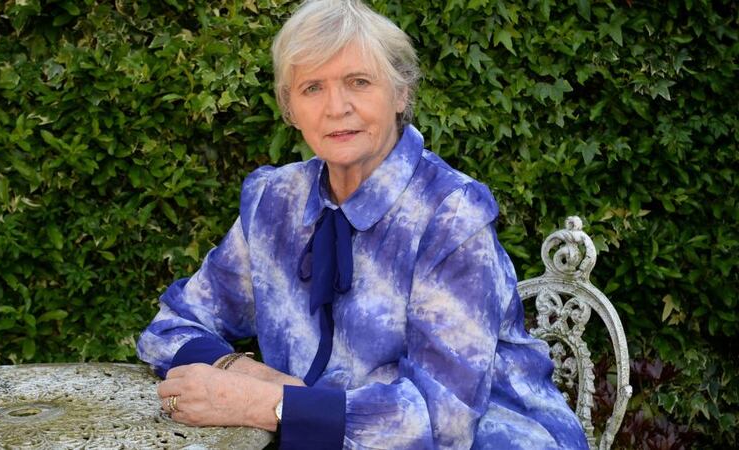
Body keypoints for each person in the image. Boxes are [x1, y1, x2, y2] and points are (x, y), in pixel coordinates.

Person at [137, 0, 588, 448]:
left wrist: (270, 404)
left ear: (401, 94)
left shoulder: (449, 214)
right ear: (289, 107)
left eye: (359, 82)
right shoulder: (274, 201)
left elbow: (442, 422)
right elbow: (171, 326)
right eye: (312, 87)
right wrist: (248, 376)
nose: (337, 107)